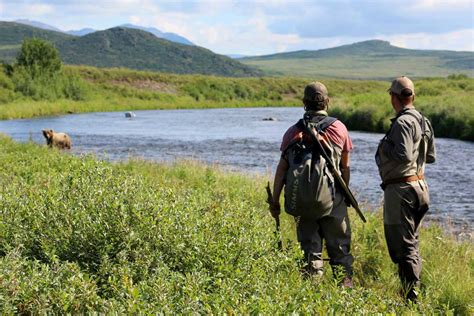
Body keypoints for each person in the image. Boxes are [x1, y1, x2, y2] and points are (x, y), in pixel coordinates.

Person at [269, 82, 354, 287]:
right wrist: (343, 194)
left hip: (302, 202)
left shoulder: (292, 132)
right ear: (327, 101)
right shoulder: (339, 128)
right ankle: (345, 297)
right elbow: (345, 167)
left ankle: (312, 297)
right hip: (334, 200)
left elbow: (281, 171)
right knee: (340, 251)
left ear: (303, 103)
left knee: (310, 253)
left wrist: (275, 201)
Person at [375, 76, 436, 302]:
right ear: (412, 96)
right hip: (420, 186)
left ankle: (411, 297)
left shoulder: (402, 123)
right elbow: (430, 156)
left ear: (394, 97)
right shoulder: (423, 120)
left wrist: (384, 147)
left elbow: (403, 155)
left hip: (402, 191)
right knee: (411, 242)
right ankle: (411, 291)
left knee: (403, 246)